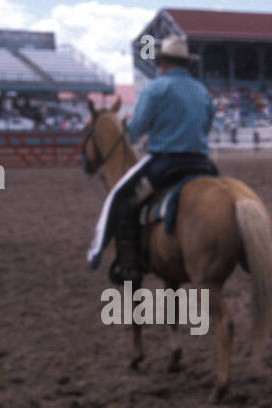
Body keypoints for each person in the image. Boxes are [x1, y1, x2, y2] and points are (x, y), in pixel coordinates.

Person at [88, 35, 216, 286]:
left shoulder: (156, 88)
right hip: (202, 163)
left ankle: (130, 265)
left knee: (123, 203)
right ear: (185, 64)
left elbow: (135, 130)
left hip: (165, 164)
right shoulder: (203, 91)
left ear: (163, 63)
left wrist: (129, 126)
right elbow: (207, 126)